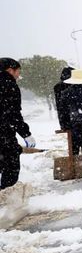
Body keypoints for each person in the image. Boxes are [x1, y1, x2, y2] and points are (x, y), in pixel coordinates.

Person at [0, 58, 36, 189]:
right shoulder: (9, 85)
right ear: (10, 70)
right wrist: (26, 134)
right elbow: (13, 114)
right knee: (11, 166)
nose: (18, 75)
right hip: (4, 133)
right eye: (17, 71)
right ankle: (6, 197)